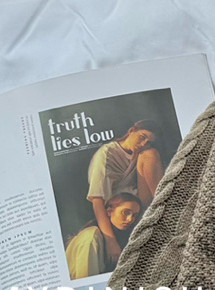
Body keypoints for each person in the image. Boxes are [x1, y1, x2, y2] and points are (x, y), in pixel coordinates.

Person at [86, 119, 162, 267]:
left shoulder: (140, 153)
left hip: (139, 204)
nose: (143, 144)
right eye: (142, 137)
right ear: (131, 131)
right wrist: (111, 241)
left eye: (148, 142)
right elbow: (97, 202)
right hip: (119, 210)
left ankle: (164, 204)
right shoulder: (106, 154)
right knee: (150, 154)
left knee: (150, 154)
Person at [65, 192, 142, 281]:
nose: (130, 219)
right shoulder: (91, 237)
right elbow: (87, 282)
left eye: (134, 215)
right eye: (125, 212)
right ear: (109, 211)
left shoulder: (122, 239)